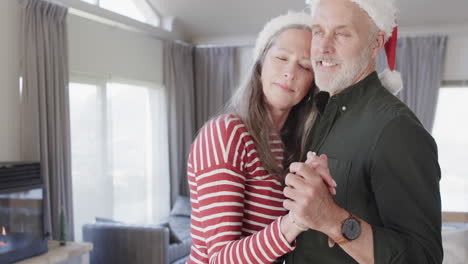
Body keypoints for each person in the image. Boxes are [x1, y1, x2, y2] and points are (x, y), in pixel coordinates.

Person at [283, 0, 443, 263]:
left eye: (341, 33)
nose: (323, 47)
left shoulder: (397, 129)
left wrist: (332, 218)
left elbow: (423, 258)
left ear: (376, 43)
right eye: (319, 31)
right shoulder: (316, 111)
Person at [186, 12, 337, 264]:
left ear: (312, 83)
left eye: (304, 66)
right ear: (260, 64)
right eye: (281, 58)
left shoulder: (289, 143)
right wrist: (295, 221)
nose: (290, 72)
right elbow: (220, 259)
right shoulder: (226, 133)